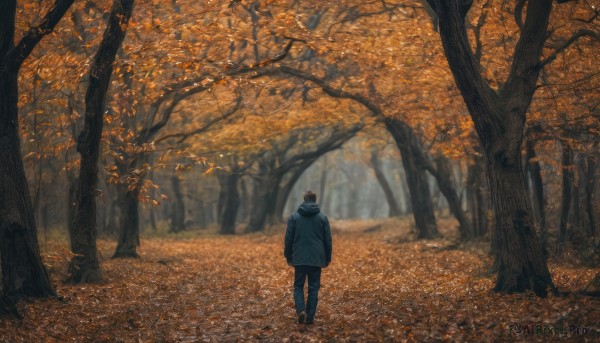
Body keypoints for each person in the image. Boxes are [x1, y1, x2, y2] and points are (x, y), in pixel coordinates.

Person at [284, 191, 332, 325]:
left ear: (304, 200)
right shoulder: (322, 218)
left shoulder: (294, 217)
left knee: (298, 286)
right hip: (316, 258)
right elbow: (327, 240)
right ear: (315, 200)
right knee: (313, 288)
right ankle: (310, 318)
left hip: (299, 257)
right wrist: (327, 258)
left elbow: (288, 239)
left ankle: (301, 311)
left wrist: (288, 255)